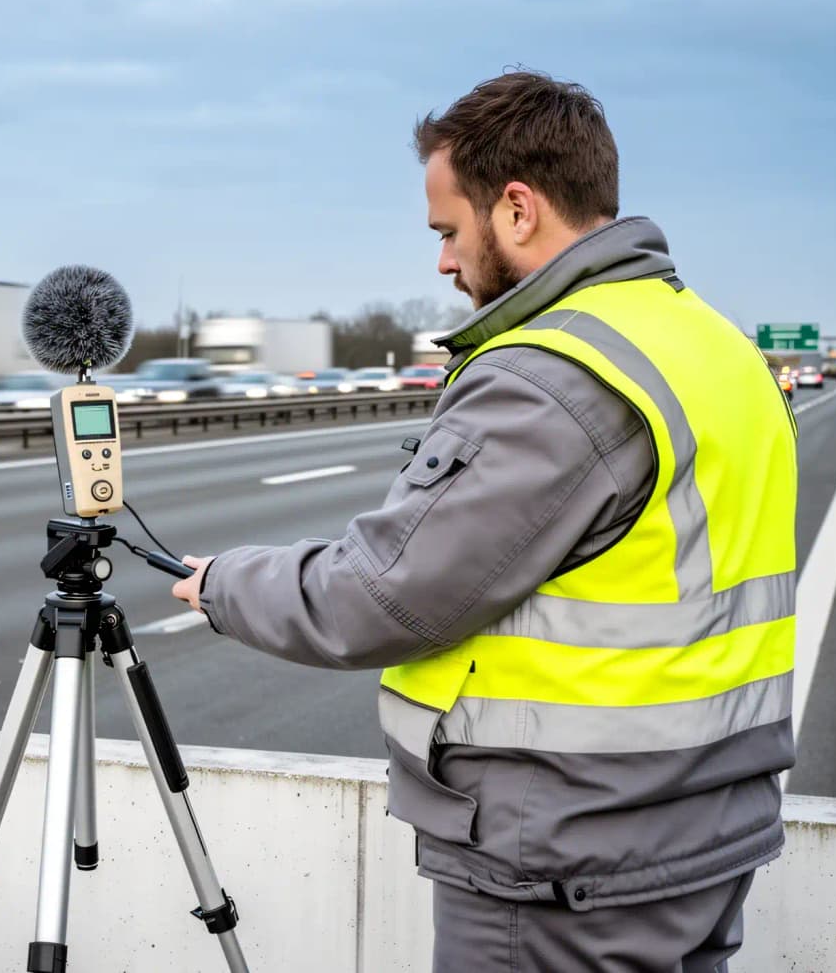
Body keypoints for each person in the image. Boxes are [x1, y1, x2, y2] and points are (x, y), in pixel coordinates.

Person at [169, 71, 797, 972]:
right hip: (707, 833)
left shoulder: (553, 376)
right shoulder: (714, 344)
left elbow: (386, 592)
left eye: (447, 230)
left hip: (566, 863)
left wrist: (223, 584)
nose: (442, 262)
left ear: (517, 209)